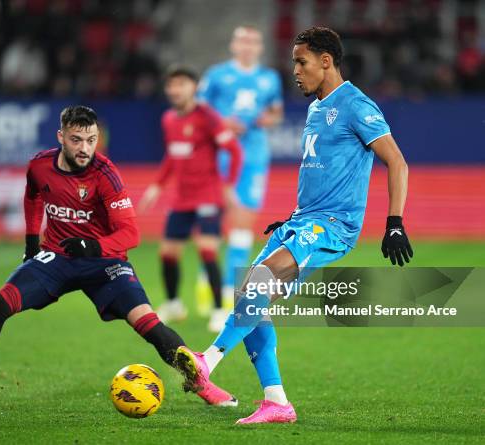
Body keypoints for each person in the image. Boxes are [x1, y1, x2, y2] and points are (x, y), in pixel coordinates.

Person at [0, 105, 237, 408]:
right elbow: (33, 197)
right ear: (61, 137)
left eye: (91, 140)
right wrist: (30, 241)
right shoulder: (39, 166)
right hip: (58, 258)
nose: (84, 148)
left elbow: (130, 234)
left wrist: (92, 247)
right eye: (77, 139)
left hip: (106, 262)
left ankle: (203, 385)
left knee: (147, 322)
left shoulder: (106, 175)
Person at [175, 27, 413, 424]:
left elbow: (398, 162)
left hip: (333, 226)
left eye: (301, 63)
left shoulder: (357, 105)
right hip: (301, 221)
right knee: (249, 293)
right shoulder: (315, 107)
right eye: (293, 64)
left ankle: (208, 361)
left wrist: (394, 222)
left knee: (260, 282)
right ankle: (276, 402)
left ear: (326, 61)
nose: (295, 72)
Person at [139, 66, 243, 332]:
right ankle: (174, 304)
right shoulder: (168, 120)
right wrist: (157, 186)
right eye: (171, 85)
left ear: (194, 87)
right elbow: (174, 155)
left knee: (207, 249)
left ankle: (220, 310)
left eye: (181, 84)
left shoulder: (208, 117)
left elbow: (235, 151)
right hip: (182, 199)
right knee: (168, 253)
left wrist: (229, 186)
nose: (175, 89)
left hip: (207, 196)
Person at [196, 25, 284, 321]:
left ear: (259, 47)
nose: (247, 46)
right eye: (242, 41)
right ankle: (205, 280)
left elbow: (276, 112)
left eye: (253, 42)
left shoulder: (269, 78)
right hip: (219, 156)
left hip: (254, 156)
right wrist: (222, 123)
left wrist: (265, 119)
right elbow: (198, 110)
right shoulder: (217, 75)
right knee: (214, 220)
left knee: (243, 222)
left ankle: (227, 295)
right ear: (234, 45)